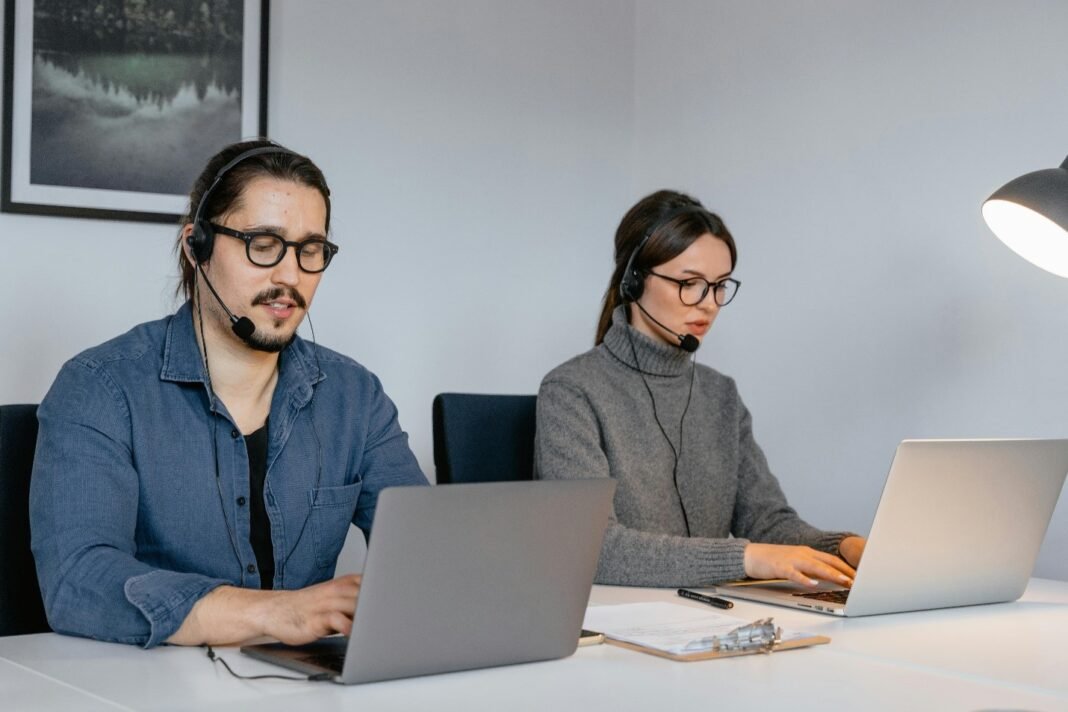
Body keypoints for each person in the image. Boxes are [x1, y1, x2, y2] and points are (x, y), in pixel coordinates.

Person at [30, 140, 428, 649]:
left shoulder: (355, 396)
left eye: (310, 251)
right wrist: (273, 613)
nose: (290, 276)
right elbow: (77, 580)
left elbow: (427, 558)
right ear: (196, 247)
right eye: (263, 244)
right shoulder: (100, 388)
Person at [535, 190, 865, 589]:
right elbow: (593, 549)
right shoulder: (572, 391)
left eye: (720, 285)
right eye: (690, 283)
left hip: (710, 619)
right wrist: (745, 557)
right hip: (622, 624)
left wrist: (843, 547)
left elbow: (766, 521)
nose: (709, 304)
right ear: (634, 280)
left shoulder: (721, 396)